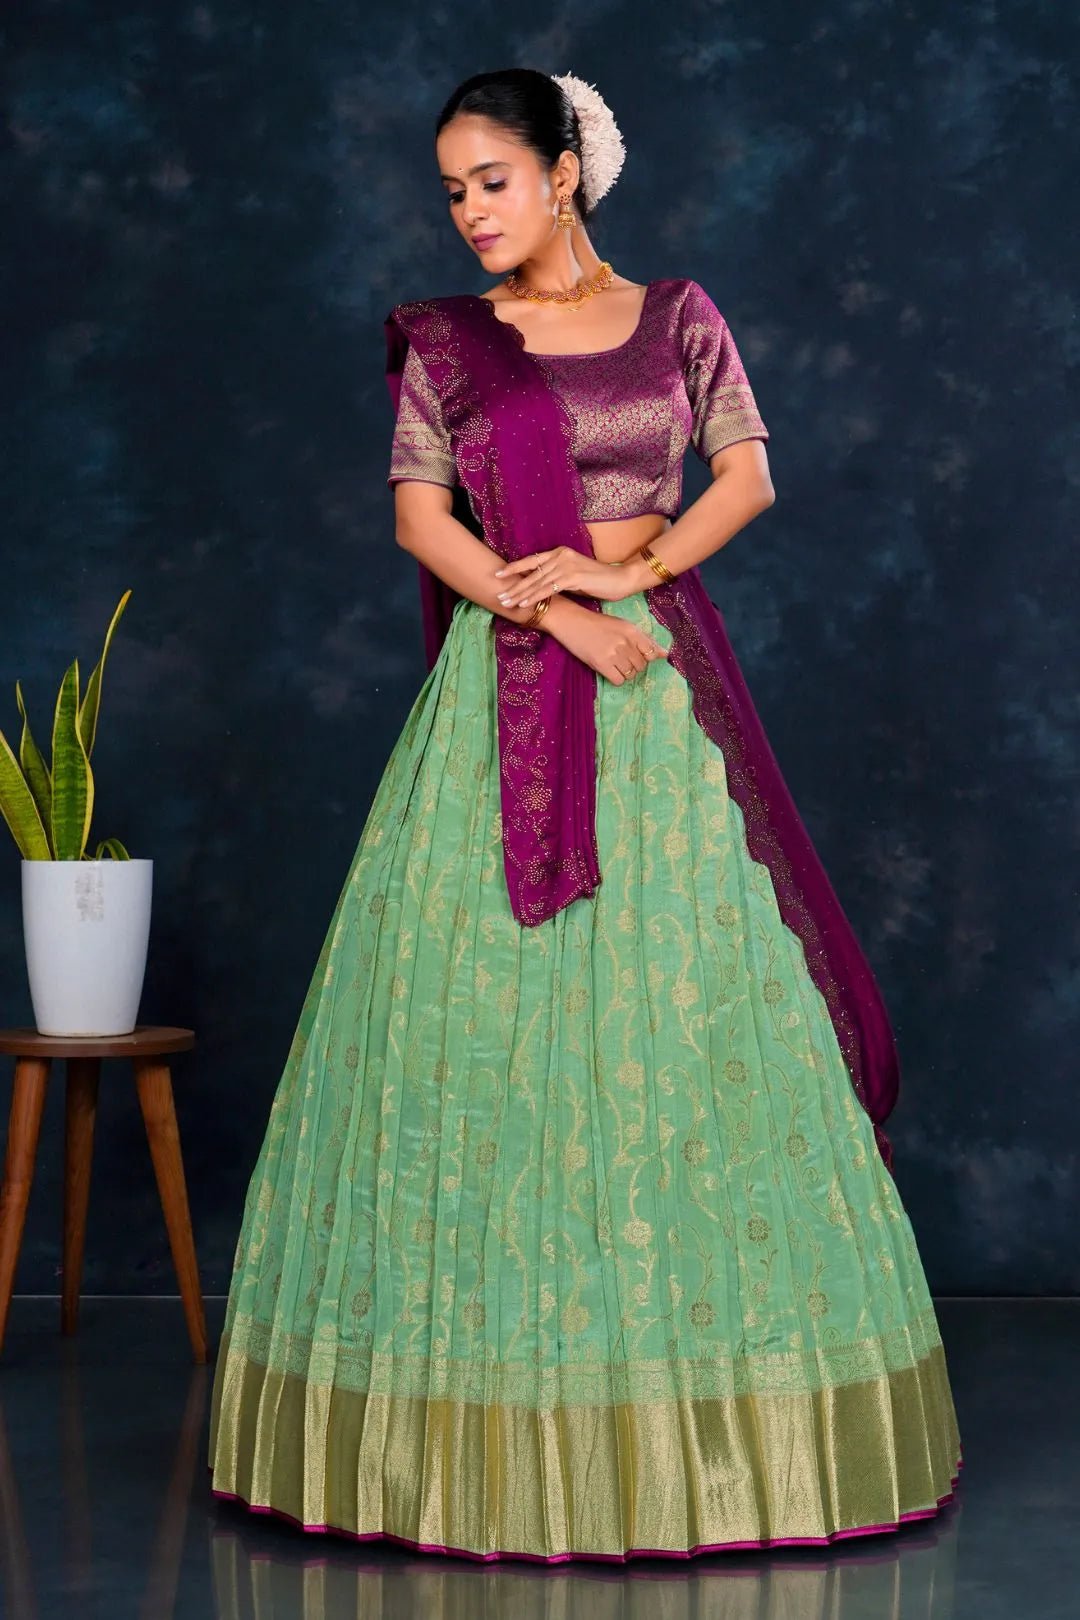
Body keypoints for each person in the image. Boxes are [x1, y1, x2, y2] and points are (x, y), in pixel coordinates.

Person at [208, 65, 962, 1563]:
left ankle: (704, 1436)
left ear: (563, 170)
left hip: (659, 692)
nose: (468, 213)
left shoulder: (678, 315)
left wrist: (629, 579)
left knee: (681, 1031)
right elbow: (421, 517)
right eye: (451, 191)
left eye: (491, 180)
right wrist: (549, 612)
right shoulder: (450, 347)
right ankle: (472, 1442)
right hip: (504, 699)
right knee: (475, 1033)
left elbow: (746, 476)